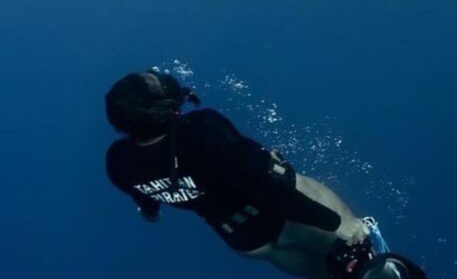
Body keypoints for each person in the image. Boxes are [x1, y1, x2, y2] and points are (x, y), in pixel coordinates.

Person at [105, 70, 426, 279]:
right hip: (289, 217)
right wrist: (337, 223)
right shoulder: (201, 130)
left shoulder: (118, 161)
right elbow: (266, 189)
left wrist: (150, 212)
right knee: (367, 262)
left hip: (247, 241)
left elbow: (145, 196)